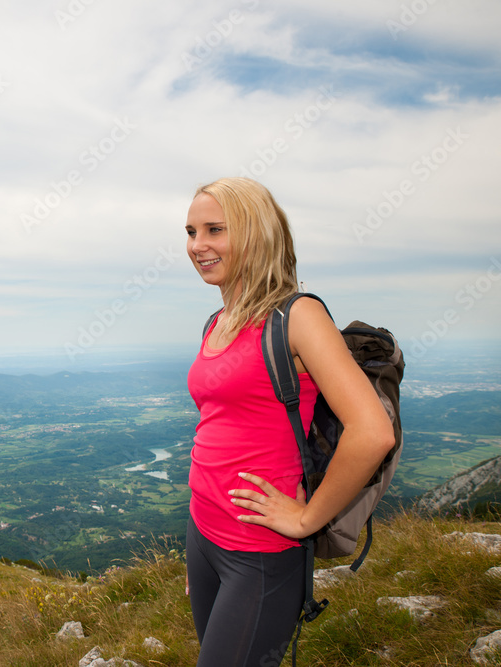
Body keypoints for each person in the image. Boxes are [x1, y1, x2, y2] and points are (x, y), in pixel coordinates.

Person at [182, 177, 394, 667]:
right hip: (204, 534)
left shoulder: (297, 316)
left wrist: (305, 519)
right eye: (191, 232)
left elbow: (373, 431)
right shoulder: (218, 321)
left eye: (215, 229)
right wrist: (197, 540)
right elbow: (217, 429)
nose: (197, 246)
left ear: (256, 233)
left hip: (259, 550)